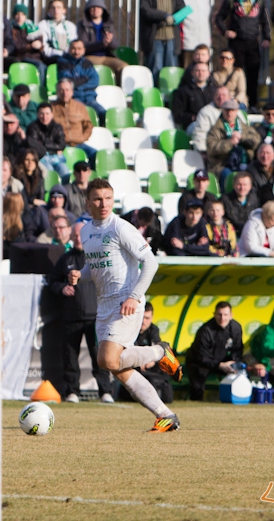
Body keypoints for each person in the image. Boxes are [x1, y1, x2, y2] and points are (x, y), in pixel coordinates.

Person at [67, 178, 182, 432]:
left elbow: (151, 262)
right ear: (88, 203)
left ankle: (160, 352)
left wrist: (134, 296)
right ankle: (165, 415)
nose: (103, 203)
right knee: (117, 367)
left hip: (126, 301)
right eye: (97, 199)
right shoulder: (86, 231)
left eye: (108, 198)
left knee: (107, 359)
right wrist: (80, 274)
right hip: (104, 305)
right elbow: (96, 268)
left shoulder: (121, 228)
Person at [48, 221, 113, 403]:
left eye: (81, 235)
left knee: (99, 357)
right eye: (75, 235)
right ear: (71, 236)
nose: (78, 238)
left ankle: (105, 391)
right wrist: (62, 288)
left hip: (95, 316)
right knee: (70, 358)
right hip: (71, 316)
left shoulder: (98, 257)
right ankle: (72, 392)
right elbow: (53, 282)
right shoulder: (65, 259)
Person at [213, 0, 271, 108]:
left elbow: (265, 21)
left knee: (253, 75)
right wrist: (225, 31)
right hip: (236, 42)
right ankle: (233, 103)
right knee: (236, 73)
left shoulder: (258, 0)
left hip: (253, 43)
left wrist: (267, 37)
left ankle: (253, 105)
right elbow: (218, 18)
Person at [116, 303, 174, 404]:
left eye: (147, 318)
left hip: (149, 368)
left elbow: (157, 349)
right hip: (133, 365)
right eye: (142, 317)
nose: (144, 321)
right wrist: (139, 360)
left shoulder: (154, 330)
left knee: (164, 365)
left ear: (152, 318)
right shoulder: (130, 330)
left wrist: (151, 361)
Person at [185, 302, 243, 400]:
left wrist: (233, 362)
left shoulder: (236, 328)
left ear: (231, 316)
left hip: (222, 362)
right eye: (219, 314)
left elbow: (238, 349)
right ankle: (196, 404)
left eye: (225, 315)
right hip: (200, 363)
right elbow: (202, 356)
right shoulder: (205, 330)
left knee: (239, 373)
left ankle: (236, 401)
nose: (222, 318)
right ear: (214, 314)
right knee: (197, 384)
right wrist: (220, 365)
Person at [206, 98, 261, 185]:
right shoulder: (216, 129)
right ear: (222, 111)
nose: (229, 113)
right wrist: (230, 143)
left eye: (232, 110)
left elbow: (256, 140)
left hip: (245, 162)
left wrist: (242, 138)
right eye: (227, 110)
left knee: (254, 174)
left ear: (237, 111)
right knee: (228, 176)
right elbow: (211, 148)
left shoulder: (244, 127)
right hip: (222, 165)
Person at [77, 0, 128, 82]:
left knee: (124, 67)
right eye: (92, 7)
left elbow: (115, 46)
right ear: (88, 10)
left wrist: (109, 41)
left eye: (98, 7)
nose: (95, 9)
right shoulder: (82, 25)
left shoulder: (109, 25)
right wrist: (102, 43)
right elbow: (83, 45)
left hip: (106, 57)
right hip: (90, 57)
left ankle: (119, 90)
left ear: (103, 9)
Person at [138, 0, 185, 79]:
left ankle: (170, 92)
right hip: (154, 39)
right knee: (155, 69)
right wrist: (164, 16)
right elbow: (146, 12)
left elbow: (182, 9)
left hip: (172, 39)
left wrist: (175, 18)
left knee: (171, 69)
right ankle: (155, 91)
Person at [57, 39, 105, 121]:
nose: (76, 51)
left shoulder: (87, 63)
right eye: (73, 48)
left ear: (83, 50)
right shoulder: (63, 63)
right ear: (69, 49)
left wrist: (78, 86)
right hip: (74, 98)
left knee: (103, 113)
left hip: (90, 98)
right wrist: (85, 79)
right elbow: (67, 82)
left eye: (79, 49)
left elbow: (95, 80)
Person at [52, 79, 95, 157]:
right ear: (57, 92)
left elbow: (88, 125)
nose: (64, 93)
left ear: (72, 92)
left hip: (79, 144)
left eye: (67, 90)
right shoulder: (52, 108)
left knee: (94, 154)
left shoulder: (80, 107)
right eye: (61, 90)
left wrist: (82, 138)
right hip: (61, 146)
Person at [27, 102, 68, 181]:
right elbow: (34, 145)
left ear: (52, 114)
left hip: (56, 159)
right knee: (49, 171)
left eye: (47, 113)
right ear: (37, 114)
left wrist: (43, 144)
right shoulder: (32, 127)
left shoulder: (57, 127)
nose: (44, 117)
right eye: (41, 114)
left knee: (64, 170)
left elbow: (62, 145)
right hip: (41, 158)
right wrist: (54, 148)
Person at [7, 4, 46, 84]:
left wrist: (40, 44)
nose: (20, 17)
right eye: (17, 14)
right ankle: (40, 88)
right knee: (41, 66)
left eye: (22, 14)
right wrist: (31, 46)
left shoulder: (32, 28)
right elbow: (17, 46)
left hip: (35, 57)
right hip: (23, 57)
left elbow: (40, 40)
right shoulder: (11, 29)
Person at [171, 62, 216, 130]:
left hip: (212, 122)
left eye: (203, 71)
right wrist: (192, 117)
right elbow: (177, 114)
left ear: (208, 73)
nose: (200, 73)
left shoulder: (214, 91)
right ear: (192, 73)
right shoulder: (183, 91)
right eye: (197, 70)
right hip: (194, 125)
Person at [38, 0, 78, 64]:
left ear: (64, 10)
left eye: (59, 7)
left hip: (68, 58)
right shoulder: (43, 25)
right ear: (48, 10)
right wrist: (58, 54)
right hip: (49, 59)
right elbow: (44, 46)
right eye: (53, 8)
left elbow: (73, 44)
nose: (56, 10)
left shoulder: (71, 26)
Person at [192, 86, 231, 151]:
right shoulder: (205, 112)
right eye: (217, 95)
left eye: (224, 95)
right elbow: (200, 135)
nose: (221, 97)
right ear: (213, 97)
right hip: (215, 152)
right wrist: (202, 152)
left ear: (229, 97)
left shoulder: (237, 112)